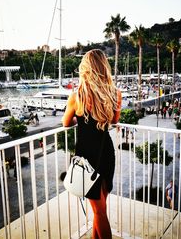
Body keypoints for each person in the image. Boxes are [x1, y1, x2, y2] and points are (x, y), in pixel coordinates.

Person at [62, 49, 122, 239]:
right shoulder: (114, 94)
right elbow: (113, 121)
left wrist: (80, 120)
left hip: (86, 157)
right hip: (106, 153)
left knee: (99, 211)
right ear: (104, 67)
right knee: (100, 208)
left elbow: (65, 123)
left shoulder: (76, 96)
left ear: (85, 68)